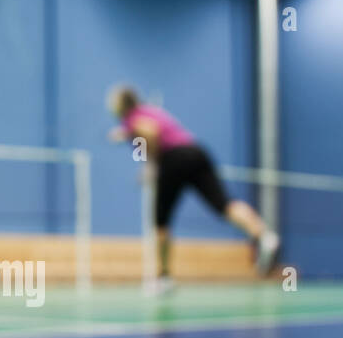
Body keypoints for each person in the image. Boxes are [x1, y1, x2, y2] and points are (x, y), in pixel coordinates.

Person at [106, 85, 280, 293]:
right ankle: (264, 236)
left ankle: (163, 278)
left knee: (160, 221)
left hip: (172, 159)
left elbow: (150, 132)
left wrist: (150, 165)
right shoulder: (149, 111)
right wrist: (126, 134)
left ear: (121, 104)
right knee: (223, 204)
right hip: (196, 152)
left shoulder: (132, 118)